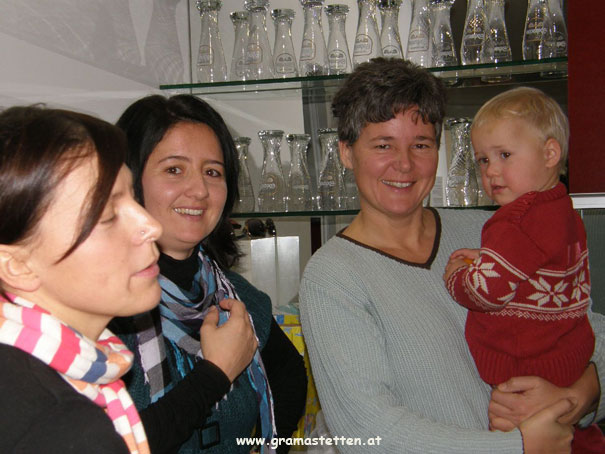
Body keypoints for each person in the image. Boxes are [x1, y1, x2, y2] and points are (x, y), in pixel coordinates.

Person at [298, 58, 605, 454]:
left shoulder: (494, 230)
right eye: (383, 145)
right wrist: (519, 446)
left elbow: (589, 328)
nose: (404, 164)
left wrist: (578, 396)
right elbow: (367, 430)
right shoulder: (333, 277)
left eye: (421, 145)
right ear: (345, 152)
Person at [110, 94, 307, 454]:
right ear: (128, 180)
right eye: (174, 169)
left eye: (213, 172)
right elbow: (108, 443)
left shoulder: (235, 295)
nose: (200, 190)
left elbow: (289, 373)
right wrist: (215, 373)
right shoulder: (100, 306)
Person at [443, 87, 605, 452]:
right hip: (566, 359)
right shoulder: (563, 211)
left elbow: (485, 293)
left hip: (521, 367)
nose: (491, 170)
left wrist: (456, 275)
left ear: (550, 153)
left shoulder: (514, 220)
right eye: (483, 160)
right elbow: (538, 269)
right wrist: (489, 259)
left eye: (504, 155)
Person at [0, 105, 163, 453]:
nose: (151, 225)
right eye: (107, 215)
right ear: (16, 266)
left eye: (134, 198)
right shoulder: (63, 429)